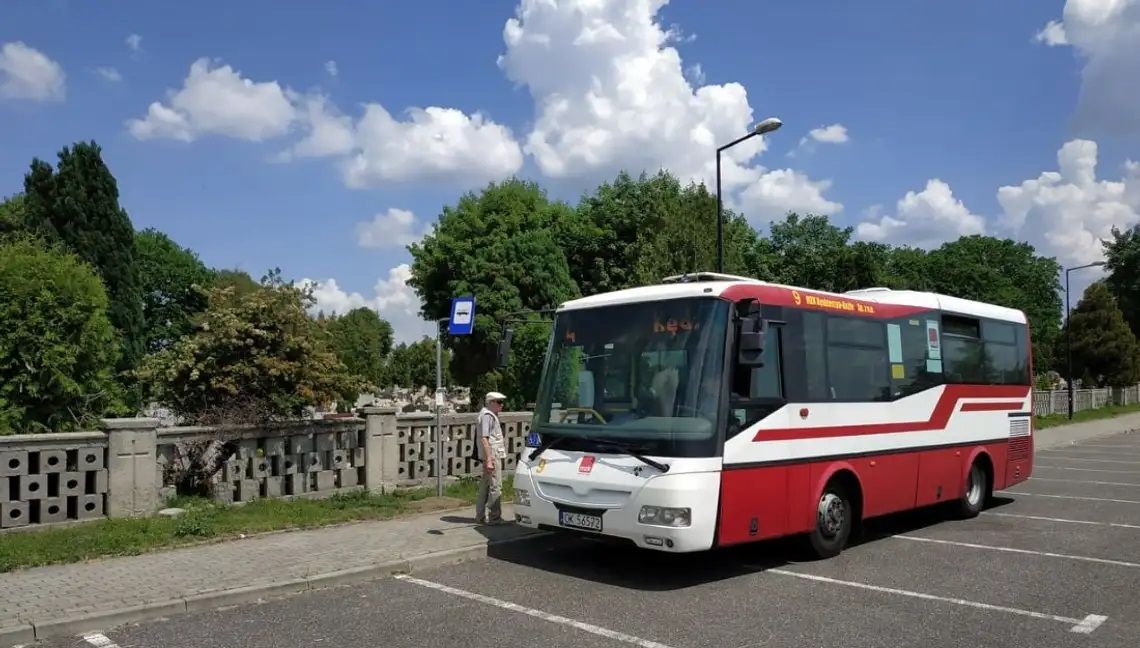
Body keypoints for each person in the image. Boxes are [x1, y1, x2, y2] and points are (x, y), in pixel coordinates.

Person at [475, 391, 508, 525]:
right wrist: (489, 459)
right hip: (492, 454)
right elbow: (484, 438)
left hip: (489, 454)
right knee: (495, 486)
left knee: (485, 485)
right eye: (499, 402)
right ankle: (495, 517)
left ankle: (480, 516)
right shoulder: (488, 416)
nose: (502, 405)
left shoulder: (485, 414)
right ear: (491, 403)